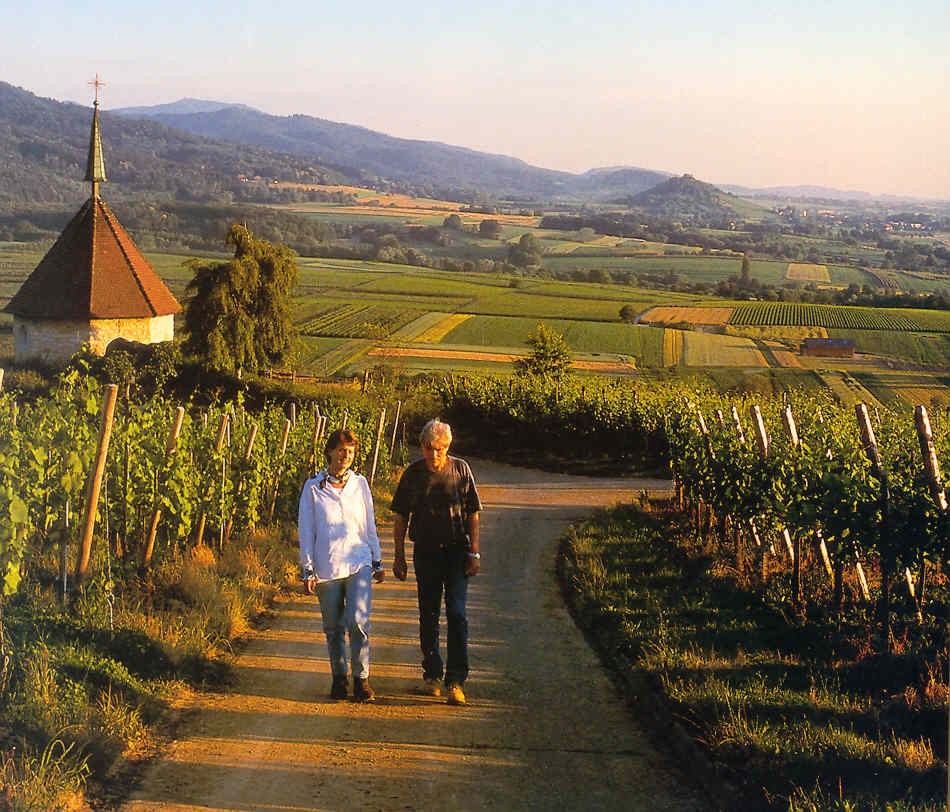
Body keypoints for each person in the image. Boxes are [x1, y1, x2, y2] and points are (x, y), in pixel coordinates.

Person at [391, 419, 482, 706]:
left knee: (457, 613)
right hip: (426, 552)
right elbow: (400, 516)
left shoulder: (461, 470)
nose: (434, 454)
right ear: (422, 446)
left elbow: (473, 513)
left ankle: (455, 681)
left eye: (440, 448)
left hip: (457, 552)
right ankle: (432, 676)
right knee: (428, 614)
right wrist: (398, 555)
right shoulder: (413, 474)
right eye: (429, 448)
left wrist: (474, 552)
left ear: (448, 447)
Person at [298, 428, 384, 702]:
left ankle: (362, 680)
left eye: (350, 451)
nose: (346, 456)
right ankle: (339, 678)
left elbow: (369, 524)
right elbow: (306, 530)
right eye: (341, 450)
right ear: (330, 452)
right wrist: (307, 568)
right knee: (333, 627)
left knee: (358, 620)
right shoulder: (313, 487)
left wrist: (377, 559)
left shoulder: (360, 484)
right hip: (327, 566)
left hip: (359, 562)